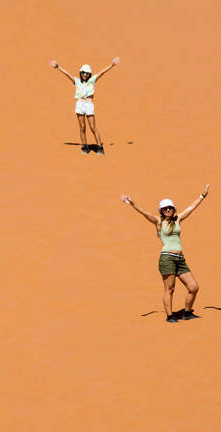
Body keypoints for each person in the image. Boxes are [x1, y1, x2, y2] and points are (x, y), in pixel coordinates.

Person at [121, 185, 210, 323]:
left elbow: (190, 208)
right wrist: (133, 204)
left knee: (193, 287)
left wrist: (202, 196)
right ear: (161, 211)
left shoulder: (178, 219)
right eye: (165, 208)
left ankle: (187, 313)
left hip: (180, 259)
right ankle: (170, 316)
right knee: (170, 289)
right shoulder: (158, 222)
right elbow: (145, 214)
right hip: (167, 258)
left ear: (173, 209)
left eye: (170, 207)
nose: (168, 210)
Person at [49, 57, 120, 155]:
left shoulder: (92, 80)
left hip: (89, 104)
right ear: (81, 73)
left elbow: (102, 73)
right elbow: (67, 74)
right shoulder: (77, 81)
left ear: (89, 74)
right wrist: (58, 67)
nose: (85, 74)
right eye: (83, 72)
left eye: (86, 73)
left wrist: (111, 65)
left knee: (93, 127)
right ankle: (84, 147)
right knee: (82, 127)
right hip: (80, 104)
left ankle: (100, 147)